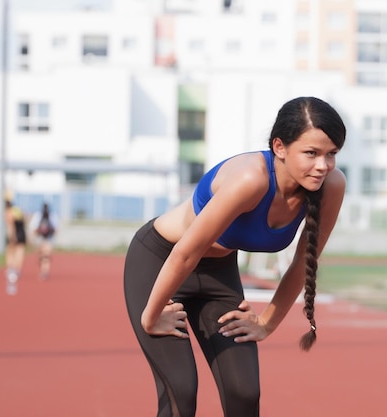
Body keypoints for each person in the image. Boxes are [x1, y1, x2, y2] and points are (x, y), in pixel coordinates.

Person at [123, 96, 346, 417]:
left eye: (331, 154)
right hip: (162, 262)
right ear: (279, 147)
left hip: (218, 274)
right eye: (311, 153)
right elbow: (185, 253)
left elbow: (304, 262)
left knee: (243, 393)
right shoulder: (251, 179)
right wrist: (151, 314)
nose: (323, 165)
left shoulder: (331, 186)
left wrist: (267, 323)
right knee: (180, 395)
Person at [29, 202, 58, 279]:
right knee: (46, 256)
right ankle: (45, 271)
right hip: (48, 239)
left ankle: (43, 271)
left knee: (42, 256)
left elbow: (33, 229)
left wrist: (33, 239)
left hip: (40, 239)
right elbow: (56, 229)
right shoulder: (53, 215)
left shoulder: (37, 216)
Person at [4, 199, 27, 295]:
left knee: (10, 251)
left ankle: (11, 269)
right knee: (20, 252)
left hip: (15, 234)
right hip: (22, 233)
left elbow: (11, 226)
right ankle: (17, 269)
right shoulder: (18, 211)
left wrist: (11, 238)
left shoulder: (9, 213)